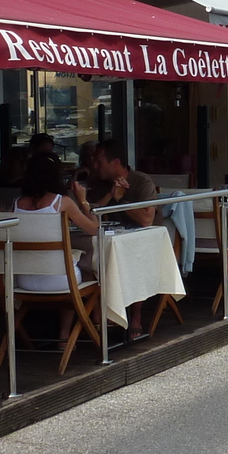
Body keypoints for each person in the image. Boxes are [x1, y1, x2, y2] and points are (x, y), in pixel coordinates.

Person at [15, 155, 99, 345]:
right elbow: (94, 229)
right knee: (88, 271)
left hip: (23, 280)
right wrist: (83, 201)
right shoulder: (62, 202)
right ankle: (67, 334)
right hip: (59, 282)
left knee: (67, 266)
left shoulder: (15, 205)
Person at [87, 139, 158, 339]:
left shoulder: (141, 182)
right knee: (89, 256)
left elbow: (146, 219)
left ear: (115, 163)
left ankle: (135, 316)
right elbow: (91, 214)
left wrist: (120, 200)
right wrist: (111, 196)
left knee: (135, 257)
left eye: (99, 161)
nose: (95, 166)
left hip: (144, 241)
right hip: (112, 239)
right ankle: (101, 312)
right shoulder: (99, 183)